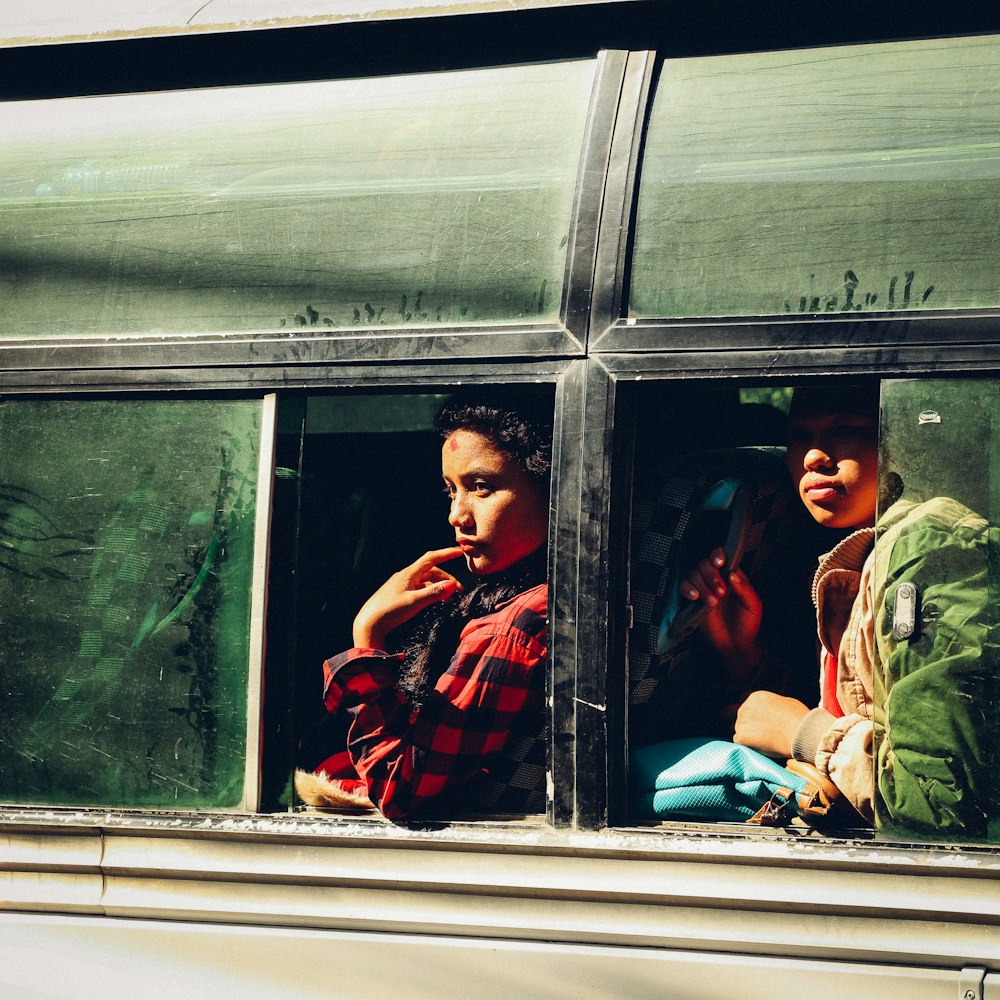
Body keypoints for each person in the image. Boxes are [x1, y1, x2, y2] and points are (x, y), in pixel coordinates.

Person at [295, 389, 552, 822]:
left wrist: (368, 635)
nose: (457, 514)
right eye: (451, 490)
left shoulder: (515, 628)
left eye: (481, 488)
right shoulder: (522, 603)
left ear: (552, 487)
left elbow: (403, 794)